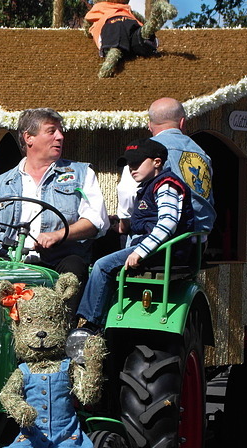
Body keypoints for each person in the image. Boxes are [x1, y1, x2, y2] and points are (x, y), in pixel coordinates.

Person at [0, 108, 108, 310]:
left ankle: (65, 329)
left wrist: (58, 235)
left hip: (59, 260)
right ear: (29, 138)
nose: (60, 136)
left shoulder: (81, 173)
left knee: (74, 267)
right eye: (51, 131)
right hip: (13, 261)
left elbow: (96, 221)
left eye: (60, 130)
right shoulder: (1, 183)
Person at [77, 139, 194, 328]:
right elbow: (147, 221)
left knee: (102, 265)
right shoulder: (150, 186)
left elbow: (167, 222)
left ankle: (91, 324)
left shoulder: (166, 185)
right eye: (129, 164)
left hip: (165, 251)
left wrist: (140, 252)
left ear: (157, 162)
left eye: (137, 163)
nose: (132, 169)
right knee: (97, 250)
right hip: (154, 247)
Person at [147, 97, 215, 234]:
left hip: (162, 239)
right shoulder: (202, 153)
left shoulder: (146, 151)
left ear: (149, 126)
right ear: (182, 122)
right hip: (199, 236)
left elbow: (128, 194)